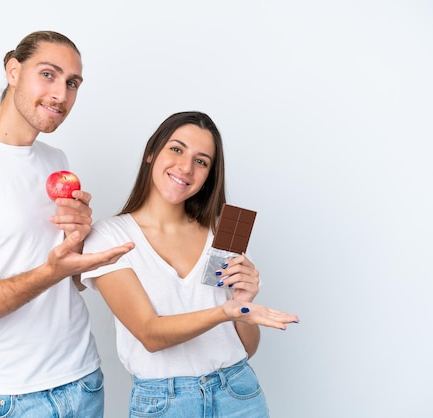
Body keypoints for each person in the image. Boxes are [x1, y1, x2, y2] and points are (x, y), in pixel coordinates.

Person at [0, 30, 134, 418]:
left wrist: (77, 239)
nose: (60, 95)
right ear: (13, 70)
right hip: (7, 399)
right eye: (48, 74)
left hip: (83, 380)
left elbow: (68, 279)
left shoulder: (56, 159)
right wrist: (50, 271)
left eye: (72, 83)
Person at [81, 111, 300, 417]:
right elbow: (150, 335)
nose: (185, 167)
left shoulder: (223, 234)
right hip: (163, 403)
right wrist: (225, 311)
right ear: (151, 153)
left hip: (238, 394)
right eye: (177, 149)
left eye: (201, 161)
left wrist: (244, 304)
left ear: (209, 174)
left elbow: (246, 349)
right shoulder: (108, 237)